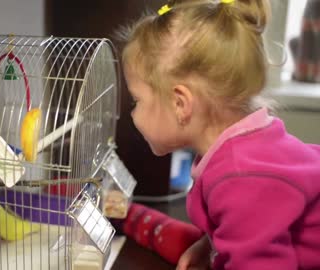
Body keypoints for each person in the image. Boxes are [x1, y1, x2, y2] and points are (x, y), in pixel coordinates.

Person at [119, 0, 320, 269]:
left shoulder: (240, 176)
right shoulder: (247, 145)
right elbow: (261, 220)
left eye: (137, 101)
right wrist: (214, 243)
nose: (133, 115)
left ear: (180, 104)